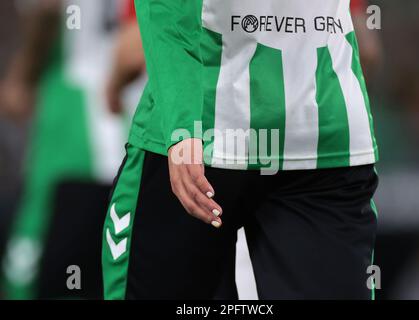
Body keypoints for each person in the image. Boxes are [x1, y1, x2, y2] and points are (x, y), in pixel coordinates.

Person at [102, 0, 379, 300]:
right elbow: (369, 48)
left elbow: (162, 13)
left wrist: (182, 126)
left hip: (203, 135)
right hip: (323, 129)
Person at [0, 0, 129, 299]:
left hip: (75, 127)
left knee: (38, 263)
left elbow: (46, 10)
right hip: (133, 125)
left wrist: (23, 76)